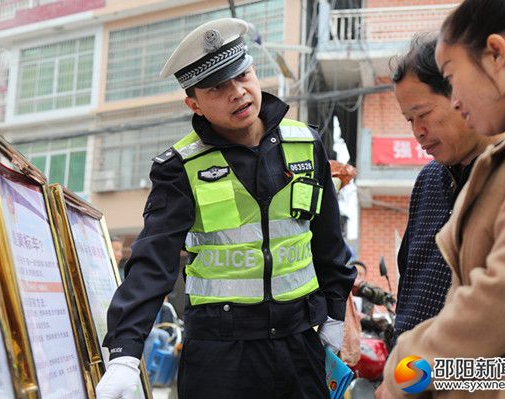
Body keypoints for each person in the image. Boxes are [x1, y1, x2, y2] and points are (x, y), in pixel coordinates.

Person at [96, 18, 356, 399]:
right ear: (194, 104)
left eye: (242, 75)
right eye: (217, 87)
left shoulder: (305, 143)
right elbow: (154, 260)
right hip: (220, 356)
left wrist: (334, 313)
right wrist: (124, 352)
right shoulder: (179, 166)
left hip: (299, 344)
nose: (238, 93)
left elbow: (329, 241)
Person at [382, 0, 505, 397]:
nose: (456, 100)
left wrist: (408, 374)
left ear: (496, 55)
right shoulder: (502, 156)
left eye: (453, 79)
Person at [375, 33, 502, 398]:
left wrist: (408, 379)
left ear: (461, 95)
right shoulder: (429, 180)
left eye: (423, 114)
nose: (418, 132)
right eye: (408, 120)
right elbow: (411, 294)